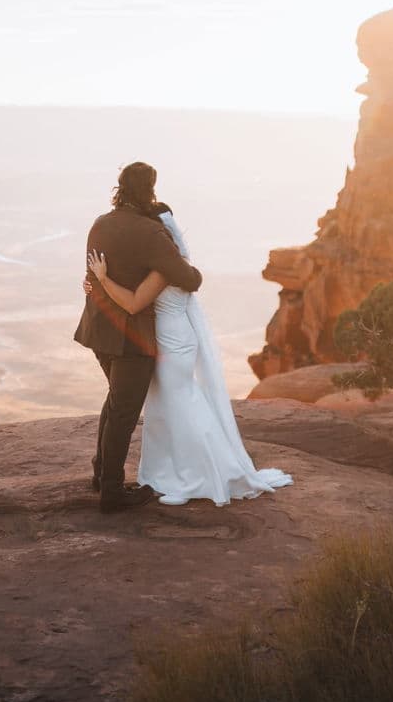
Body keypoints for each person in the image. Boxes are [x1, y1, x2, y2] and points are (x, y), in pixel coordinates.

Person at [76, 162, 293, 510]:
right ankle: (112, 494)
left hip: (99, 329)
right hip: (132, 337)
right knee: (123, 412)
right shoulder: (150, 232)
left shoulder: (100, 224)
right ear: (149, 189)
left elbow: (92, 273)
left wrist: (98, 283)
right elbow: (190, 280)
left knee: (116, 402)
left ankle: (102, 475)